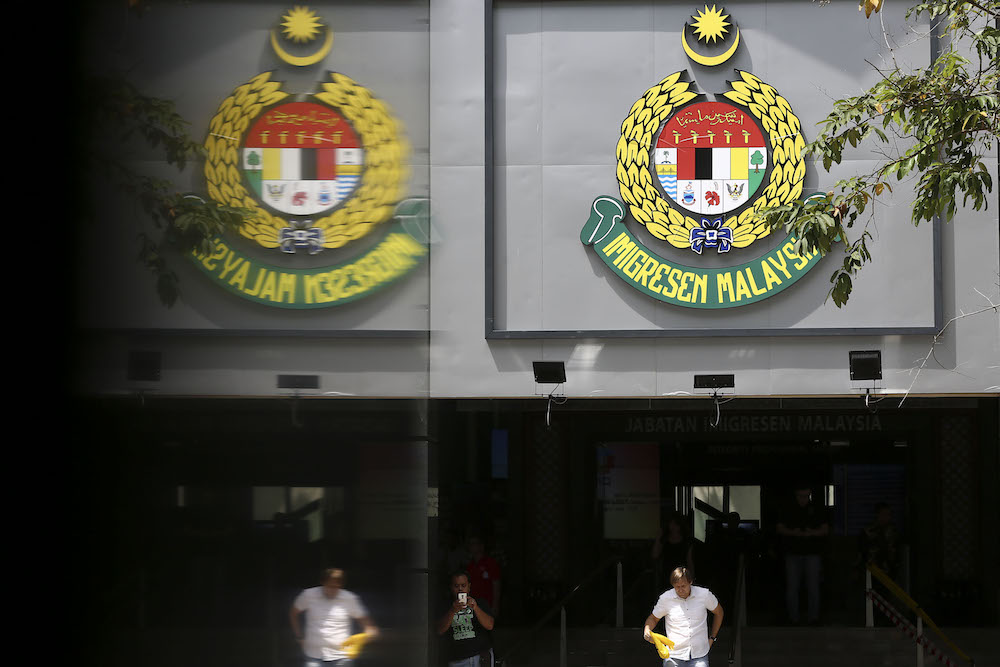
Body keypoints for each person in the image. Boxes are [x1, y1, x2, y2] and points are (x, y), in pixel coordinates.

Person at [289, 568, 379, 666]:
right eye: (329, 586)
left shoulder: (349, 598)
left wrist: (365, 637)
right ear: (322, 583)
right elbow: (293, 613)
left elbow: (369, 626)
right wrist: (298, 636)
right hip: (313, 655)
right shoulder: (308, 595)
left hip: (342, 657)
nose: (333, 590)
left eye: (336, 587)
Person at [643, 566, 724, 667]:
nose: (680, 590)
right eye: (677, 587)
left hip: (699, 655)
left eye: (683, 586)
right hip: (673, 655)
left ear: (690, 582)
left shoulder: (704, 595)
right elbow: (653, 618)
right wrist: (647, 630)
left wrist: (712, 637)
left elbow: (719, 612)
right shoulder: (666, 598)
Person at [776, 485, 829, 625]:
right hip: (793, 553)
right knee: (793, 588)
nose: (803, 499)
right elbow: (779, 528)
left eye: (806, 496)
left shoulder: (816, 509)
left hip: (812, 553)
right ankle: (794, 618)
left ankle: (813, 618)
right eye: (801, 496)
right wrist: (795, 533)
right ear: (796, 495)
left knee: (813, 587)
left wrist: (809, 533)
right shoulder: (789, 509)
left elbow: (825, 529)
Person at [437, 570, 496, 667]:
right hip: (457, 659)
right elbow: (439, 630)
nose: (460, 589)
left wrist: (475, 608)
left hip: (480, 656)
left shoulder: (480, 603)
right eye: (456, 586)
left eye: (463, 585)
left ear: (469, 586)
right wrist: (452, 611)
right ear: (451, 587)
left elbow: (490, 625)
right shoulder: (446, 606)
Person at [651, 512, 697, 589]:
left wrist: (692, 579)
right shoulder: (665, 540)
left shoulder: (686, 542)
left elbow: (690, 562)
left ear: (680, 526)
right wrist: (658, 537)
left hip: (682, 577)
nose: (672, 527)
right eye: (671, 524)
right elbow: (655, 555)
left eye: (675, 524)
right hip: (666, 577)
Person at [859, 502, 900, 578]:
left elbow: (897, 552)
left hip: (890, 572)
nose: (886, 517)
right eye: (883, 514)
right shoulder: (868, 531)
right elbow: (862, 552)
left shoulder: (893, 531)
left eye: (889, 514)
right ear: (877, 514)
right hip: (873, 571)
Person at [465, 533, 502, 617]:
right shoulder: (470, 566)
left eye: (474, 543)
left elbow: (496, 585)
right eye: (470, 544)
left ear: (481, 546)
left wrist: (495, 605)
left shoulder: (490, 563)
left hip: (487, 605)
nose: (471, 546)